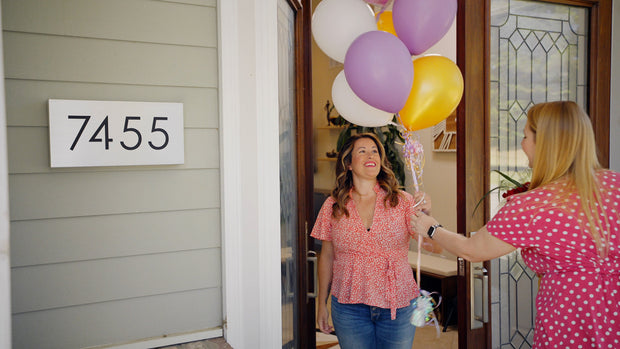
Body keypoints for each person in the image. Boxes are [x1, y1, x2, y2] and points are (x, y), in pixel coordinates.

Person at [410, 101, 620, 349]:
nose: (522, 144)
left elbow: (471, 249)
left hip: (569, 321)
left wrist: (432, 228)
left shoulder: (533, 205)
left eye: (525, 136)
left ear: (544, 144)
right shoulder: (614, 185)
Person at [311, 132, 435, 349]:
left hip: (398, 305)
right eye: (363, 151)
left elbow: (434, 246)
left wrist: (428, 217)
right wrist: (321, 303)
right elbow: (327, 257)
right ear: (348, 163)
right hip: (349, 308)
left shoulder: (403, 202)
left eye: (375, 151)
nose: (371, 155)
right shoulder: (333, 205)